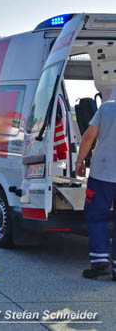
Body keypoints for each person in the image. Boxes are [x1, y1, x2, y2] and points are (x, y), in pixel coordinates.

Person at [75, 85, 116, 280]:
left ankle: (100, 264)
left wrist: (80, 161)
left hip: (103, 174)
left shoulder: (106, 109)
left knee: (97, 217)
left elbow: (88, 137)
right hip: (104, 174)